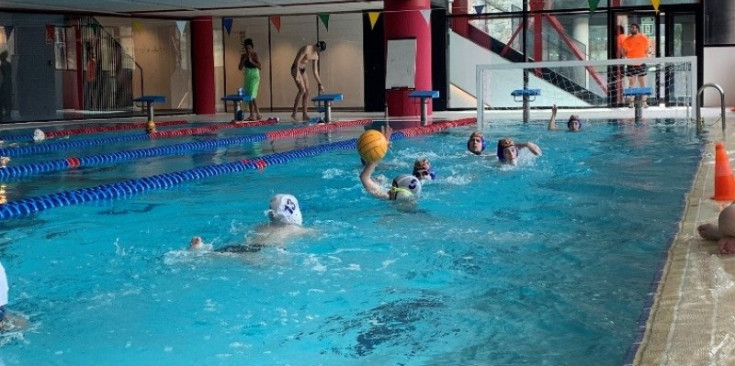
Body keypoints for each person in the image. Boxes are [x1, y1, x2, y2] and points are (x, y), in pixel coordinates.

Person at [190, 194, 313, 253]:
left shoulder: (261, 225)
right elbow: (316, 234)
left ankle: (199, 249)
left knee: (216, 254)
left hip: (241, 246)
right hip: (266, 252)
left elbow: (241, 231)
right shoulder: (295, 229)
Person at [360, 126, 422, 202]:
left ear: (403, 195)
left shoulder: (386, 197)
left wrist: (377, 155)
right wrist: (381, 148)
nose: (389, 190)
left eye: (392, 188)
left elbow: (364, 177)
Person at [290, 41, 326, 122]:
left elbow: (315, 71)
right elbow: (297, 62)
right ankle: (294, 113)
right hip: (295, 68)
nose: (318, 52)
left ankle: (304, 114)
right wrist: (297, 74)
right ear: (317, 47)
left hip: (302, 70)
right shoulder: (307, 49)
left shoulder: (316, 55)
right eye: (318, 50)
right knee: (302, 90)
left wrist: (320, 84)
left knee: (307, 92)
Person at [621, 24, 651, 107]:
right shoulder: (627, 40)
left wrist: (643, 56)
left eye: (633, 28)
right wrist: (626, 57)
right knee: (631, 84)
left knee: (643, 84)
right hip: (631, 64)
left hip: (641, 63)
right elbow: (624, 52)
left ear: (637, 29)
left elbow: (647, 50)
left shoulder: (644, 38)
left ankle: (644, 102)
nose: (631, 29)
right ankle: (631, 103)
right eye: (630, 28)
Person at [238, 38, 262, 121]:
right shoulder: (243, 56)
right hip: (247, 76)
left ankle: (258, 113)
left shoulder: (254, 55)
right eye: (246, 48)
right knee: (249, 96)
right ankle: (252, 115)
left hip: (255, 76)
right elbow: (240, 68)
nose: (248, 50)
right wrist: (244, 60)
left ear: (252, 48)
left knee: (252, 94)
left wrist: (251, 61)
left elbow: (260, 67)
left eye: (249, 48)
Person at [0, 51, 12, 120]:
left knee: (5, 100)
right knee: (5, 101)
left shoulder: (5, 65)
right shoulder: (6, 65)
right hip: (6, 85)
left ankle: (7, 115)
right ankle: (6, 115)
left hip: (5, 85)